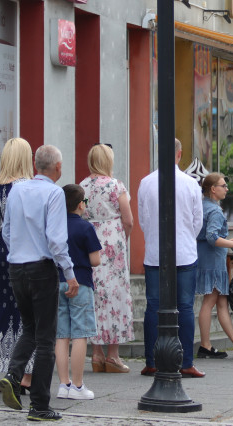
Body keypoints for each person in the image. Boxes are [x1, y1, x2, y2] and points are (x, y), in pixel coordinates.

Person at [0, 144, 78, 422]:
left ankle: (12, 374)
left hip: (16, 267)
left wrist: (18, 251)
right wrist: (69, 273)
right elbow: (57, 240)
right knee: (46, 339)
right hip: (42, 269)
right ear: (57, 167)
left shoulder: (17, 189)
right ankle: (40, 405)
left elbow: (6, 230)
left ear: (36, 165)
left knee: (30, 328)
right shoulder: (54, 193)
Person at [137, 138, 205, 378]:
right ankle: (186, 361)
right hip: (185, 252)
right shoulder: (191, 184)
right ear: (179, 154)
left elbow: (143, 221)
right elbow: (198, 221)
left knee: (153, 306)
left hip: (155, 253)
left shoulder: (146, 183)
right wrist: (186, 237)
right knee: (185, 307)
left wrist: (156, 238)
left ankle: (152, 361)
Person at [0, 138, 36, 393]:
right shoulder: (26, 187)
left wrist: (0, 248)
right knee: (26, 311)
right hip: (22, 253)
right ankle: (26, 375)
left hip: (0, 254)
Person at [80, 144, 134, 374]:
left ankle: (97, 354)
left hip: (89, 241)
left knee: (95, 296)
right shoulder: (115, 185)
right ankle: (113, 356)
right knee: (115, 295)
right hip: (113, 243)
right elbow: (128, 219)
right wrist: (123, 238)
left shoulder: (82, 186)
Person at [196, 172, 233, 360]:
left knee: (221, 303)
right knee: (210, 302)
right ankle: (205, 346)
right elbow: (212, 237)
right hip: (212, 261)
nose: (227, 189)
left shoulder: (202, 206)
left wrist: (227, 241)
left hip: (209, 259)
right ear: (213, 189)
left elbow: (207, 235)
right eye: (223, 185)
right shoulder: (215, 211)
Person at [55, 184, 102, 401]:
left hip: (57, 282)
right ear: (81, 204)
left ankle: (63, 384)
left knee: (61, 334)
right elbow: (95, 260)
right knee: (80, 334)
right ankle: (78, 385)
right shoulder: (85, 228)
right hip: (81, 283)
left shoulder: (55, 226)